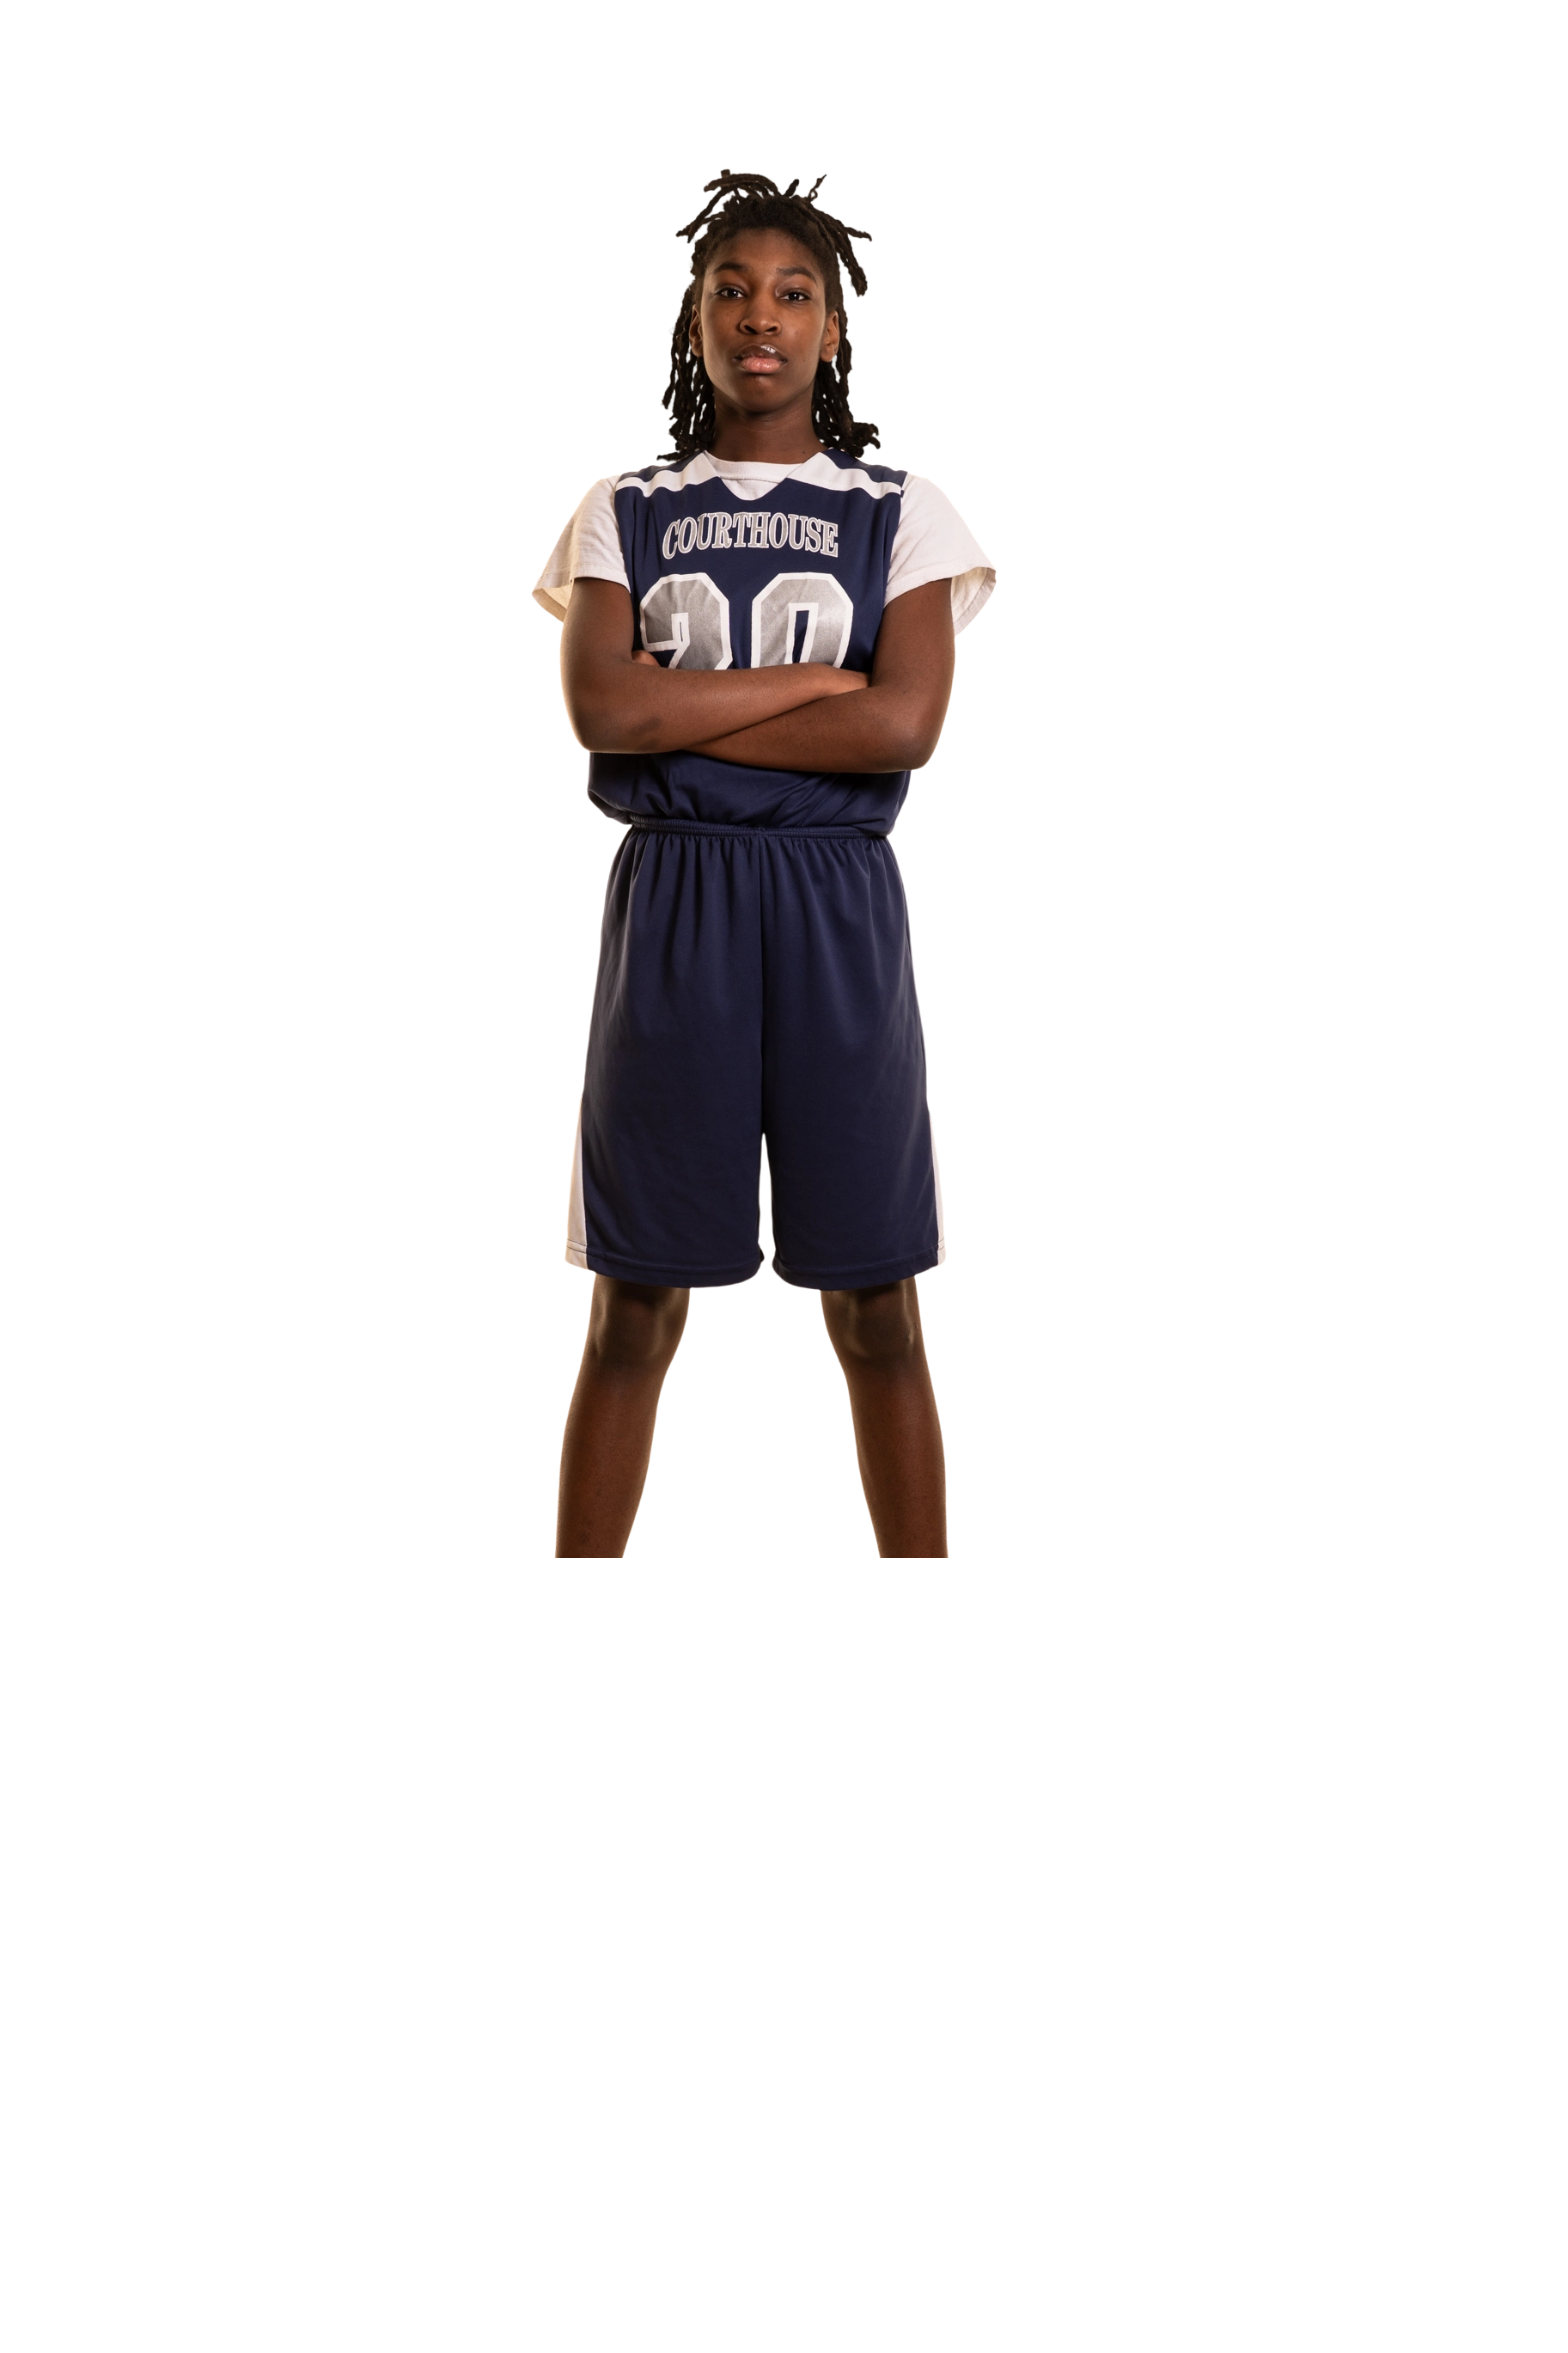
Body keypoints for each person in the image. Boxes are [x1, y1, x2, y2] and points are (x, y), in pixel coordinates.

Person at [534, 168, 995, 1559]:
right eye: (730, 289)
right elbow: (603, 710)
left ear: (832, 330)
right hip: (675, 911)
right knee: (632, 1305)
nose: (760, 315)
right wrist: (810, 688)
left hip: (837, 909)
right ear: (694, 321)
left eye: (795, 293)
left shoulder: (902, 508)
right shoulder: (625, 505)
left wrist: (685, 708)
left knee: (878, 1303)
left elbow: (903, 724)